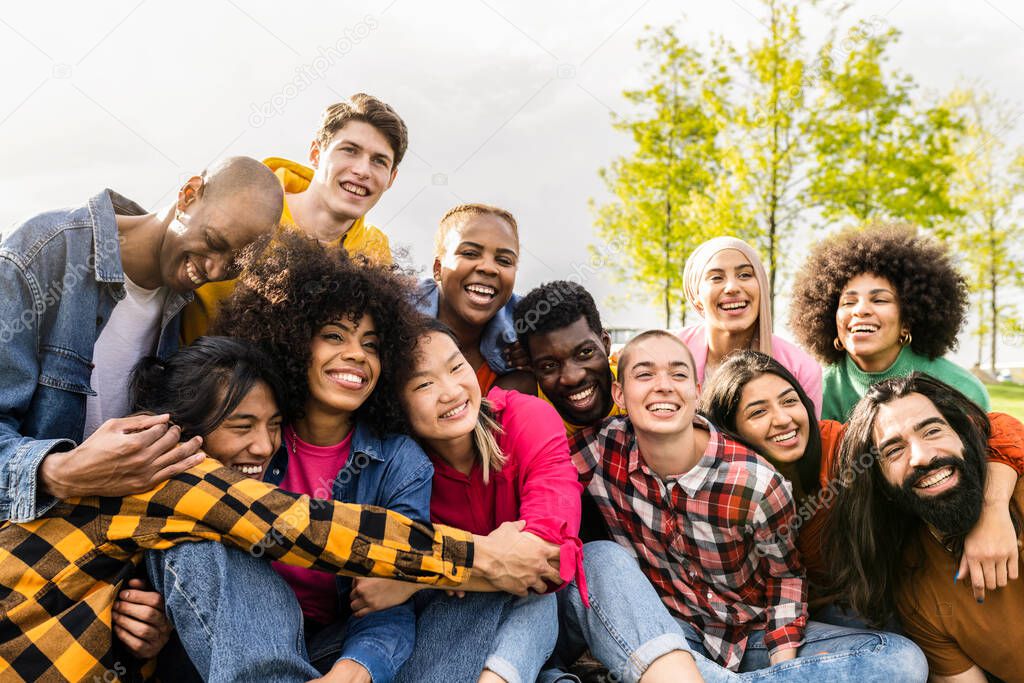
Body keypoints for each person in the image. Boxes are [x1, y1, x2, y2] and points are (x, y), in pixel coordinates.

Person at [0, 336, 493, 682]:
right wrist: (481, 559)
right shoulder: (161, 469)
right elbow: (305, 528)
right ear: (184, 425)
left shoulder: (395, 459)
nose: (263, 446)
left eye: (274, 424)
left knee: (467, 605)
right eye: (241, 426)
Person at [562, 331, 928, 682]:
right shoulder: (599, 449)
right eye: (644, 375)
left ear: (696, 391)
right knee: (599, 558)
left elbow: (785, 578)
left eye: (678, 374)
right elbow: (530, 476)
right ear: (619, 394)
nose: (663, 385)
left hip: (749, 637)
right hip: (667, 633)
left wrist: (781, 663)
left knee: (901, 660)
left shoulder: (757, 482)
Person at [0, 157, 283, 524]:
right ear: (188, 194)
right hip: (24, 539)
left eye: (234, 264)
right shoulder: (41, 254)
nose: (213, 270)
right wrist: (58, 471)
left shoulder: (190, 307)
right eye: (212, 242)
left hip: (119, 539)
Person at [346, 318, 584, 683]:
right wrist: (490, 559)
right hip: (451, 640)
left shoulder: (524, 417)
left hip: (548, 626)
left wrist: (416, 576)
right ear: (396, 405)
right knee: (503, 594)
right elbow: (370, 588)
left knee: (588, 567)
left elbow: (548, 560)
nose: (451, 391)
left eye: (457, 366)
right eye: (424, 383)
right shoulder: (401, 469)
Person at [699, 350, 1023, 614]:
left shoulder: (842, 449)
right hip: (797, 616)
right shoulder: (729, 492)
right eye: (758, 412)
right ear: (731, 431)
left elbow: (998, 427)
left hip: (888, 598)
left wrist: (992, 512)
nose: (783, 419)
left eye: (789, 401)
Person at [822, 373, 1024, 681]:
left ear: (964, 434)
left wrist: (992, 507)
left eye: (932, 431)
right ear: (880, 483)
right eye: (893, 450)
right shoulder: (914, 589)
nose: (922, 456)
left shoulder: (1016, 494)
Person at [182, 93, 407, 342]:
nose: (362, 170)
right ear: (315, 154)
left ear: (391, 179)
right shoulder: (242, 205)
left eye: (379, 161)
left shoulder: (376, 250)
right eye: (350, 150)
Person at [789, 223, 989, 422]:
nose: (860, 310)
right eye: (848, 302)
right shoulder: (819, 393)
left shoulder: (962, 389)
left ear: (907, 322)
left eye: (879, 300)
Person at [678, 237, 822, 415]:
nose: (732, 287)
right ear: (696, 298)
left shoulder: (800, 369)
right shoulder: (666, 352)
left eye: (745, 275)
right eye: (716, 278)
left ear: (761, 286)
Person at [414, 203, 535, 395]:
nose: (488, 268)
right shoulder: (396, 313)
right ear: (438, 268)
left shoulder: (529, 325)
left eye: (504, 260)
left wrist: (540, 357)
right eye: (470, 253)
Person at [514, 280, 622, 432]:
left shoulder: (640, 390)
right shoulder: (520, 401)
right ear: (531, 367)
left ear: (605, 343)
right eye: (549, 366)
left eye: (585, 352)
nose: (572, 378)